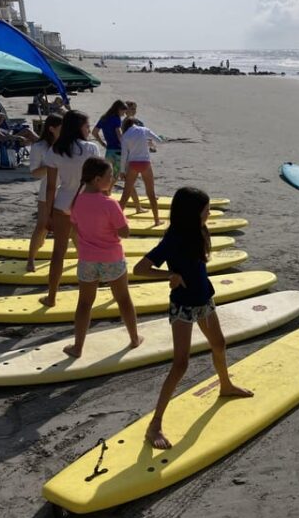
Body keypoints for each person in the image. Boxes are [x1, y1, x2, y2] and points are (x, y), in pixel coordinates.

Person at [134, 187, 253, 449]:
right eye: (206, 210)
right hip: (183, 307)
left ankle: (225, 385)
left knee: (219, 344)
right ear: (192, 213)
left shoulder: (200, 231)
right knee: (181, 364)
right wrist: (169, 276)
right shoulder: (173, 238)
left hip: (204, 300)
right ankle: (155, 424)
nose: (209, 213)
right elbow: (140, 268)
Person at [64, 157, 143, 357]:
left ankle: (78, 347)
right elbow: (125, 232)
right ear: (98, 179)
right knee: (123, 299)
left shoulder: (76, 200)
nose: (113, 179)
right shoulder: (110, 204)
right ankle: (134, 338)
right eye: (110, 176)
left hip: (87, 259)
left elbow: (76, 225)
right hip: (112, 258)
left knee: (84, 304)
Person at [40, 110, 102, 307]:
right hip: (86, 206)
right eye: (86, 126)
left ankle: (51, 297)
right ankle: (91, 292)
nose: (89, 129)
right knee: (89, 250)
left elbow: (51, 186)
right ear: (78, 127)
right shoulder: (91, 149)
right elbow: (97, 182)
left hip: (62, 204)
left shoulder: (55, 150)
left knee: (58, 253)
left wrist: (48, 213)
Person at [26, 113, 63, 272]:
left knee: (74, 228)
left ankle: (85, 260)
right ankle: (30, 259)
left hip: (68, 189)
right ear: (52, 129)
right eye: (62, 128)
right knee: (42, 226)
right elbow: (34, 173)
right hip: (47, 189)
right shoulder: (39, 147)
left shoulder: (67, 144)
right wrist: (51, 166)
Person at [93, 100, 141, 210]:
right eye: (123, 112)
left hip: (109, 151)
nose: (123, 114)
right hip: (118, 151)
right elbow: (119, 136)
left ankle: (105, 200)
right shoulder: (116, 119)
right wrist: (128, 147)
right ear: (118, 109)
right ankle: (138, 207)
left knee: (109, 177)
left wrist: (102, 143)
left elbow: (94, 132)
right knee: (128, 179)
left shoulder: (104, 118)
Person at [119, 117, 163, 224]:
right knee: (151, 193)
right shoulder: (144, 130)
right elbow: (159, 140)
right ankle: (157, 220)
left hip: (132, 164)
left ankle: (115, 222)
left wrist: (122, 170)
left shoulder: (125, 136)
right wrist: (149, 143)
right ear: (134, 123)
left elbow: (124, 155)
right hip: (145, 163)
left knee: (126, 193)